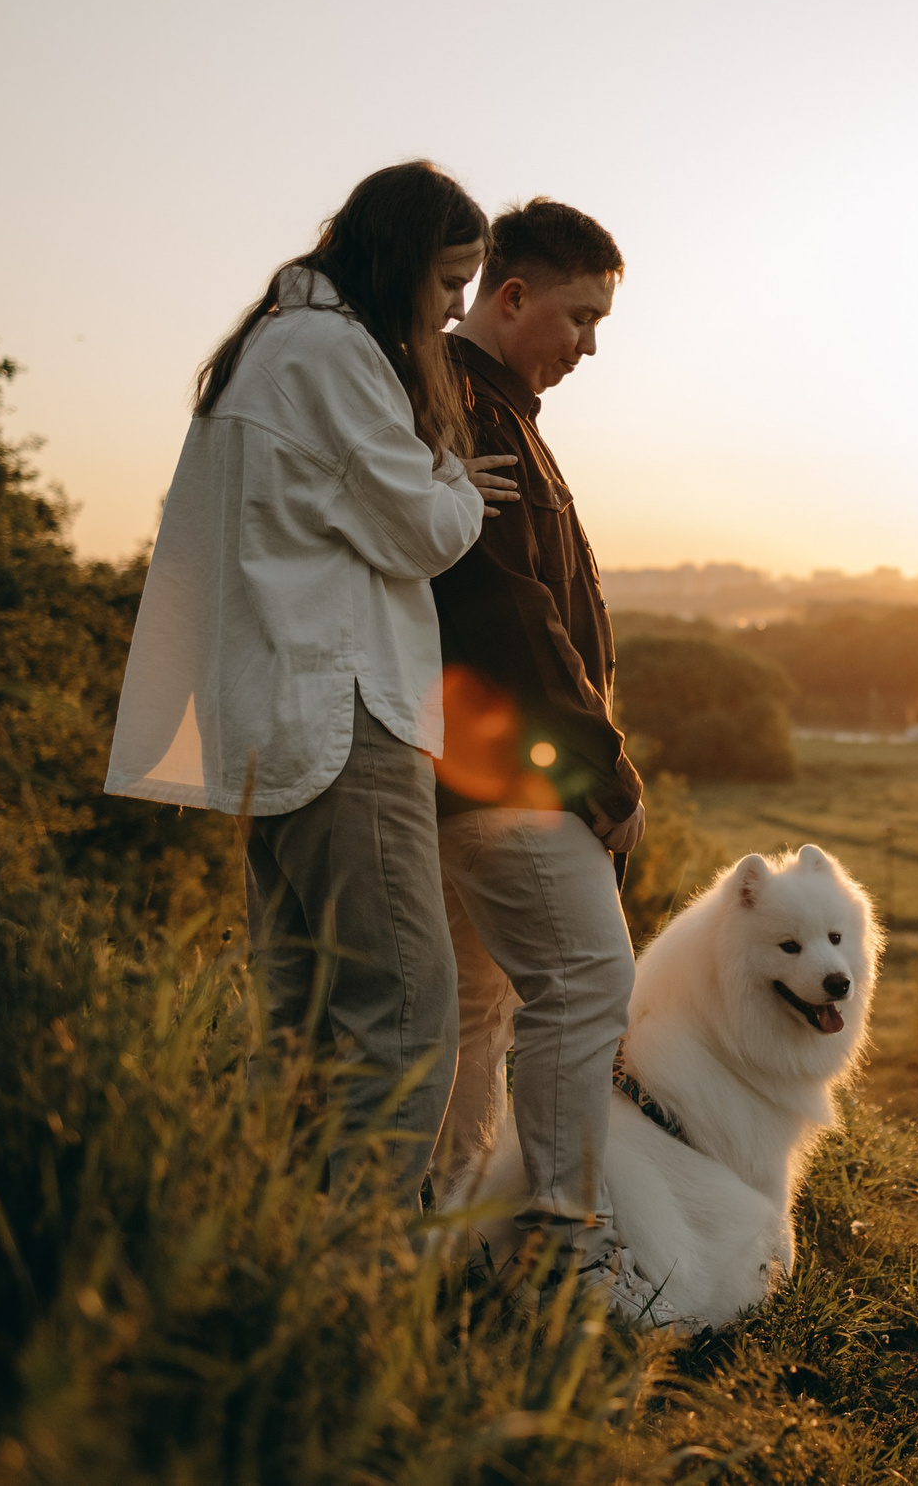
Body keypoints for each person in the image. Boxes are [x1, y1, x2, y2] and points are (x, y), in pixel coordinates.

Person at [104, 160, 520, 1205]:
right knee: (407, 1008)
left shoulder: (264, 350)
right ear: (397, 264)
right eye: (446, 286)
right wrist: (456, 482)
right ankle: (357, 1272)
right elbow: (422, 530)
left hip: (267, 718)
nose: (452, 313)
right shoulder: (333, 355)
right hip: (343, 718)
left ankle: (273, 1243)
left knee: (300, 1011)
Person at [422, 199, 662, 1320]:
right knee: (587, 986)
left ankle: (451, 1239)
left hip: (463, 770)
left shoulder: (495, 409)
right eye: (579, 317)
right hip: (505, 774)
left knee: (478, 1010)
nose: (590, 346)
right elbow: (510, 619)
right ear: (510, 296)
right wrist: (602, 773)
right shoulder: (469, 406)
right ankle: (557, 1248)